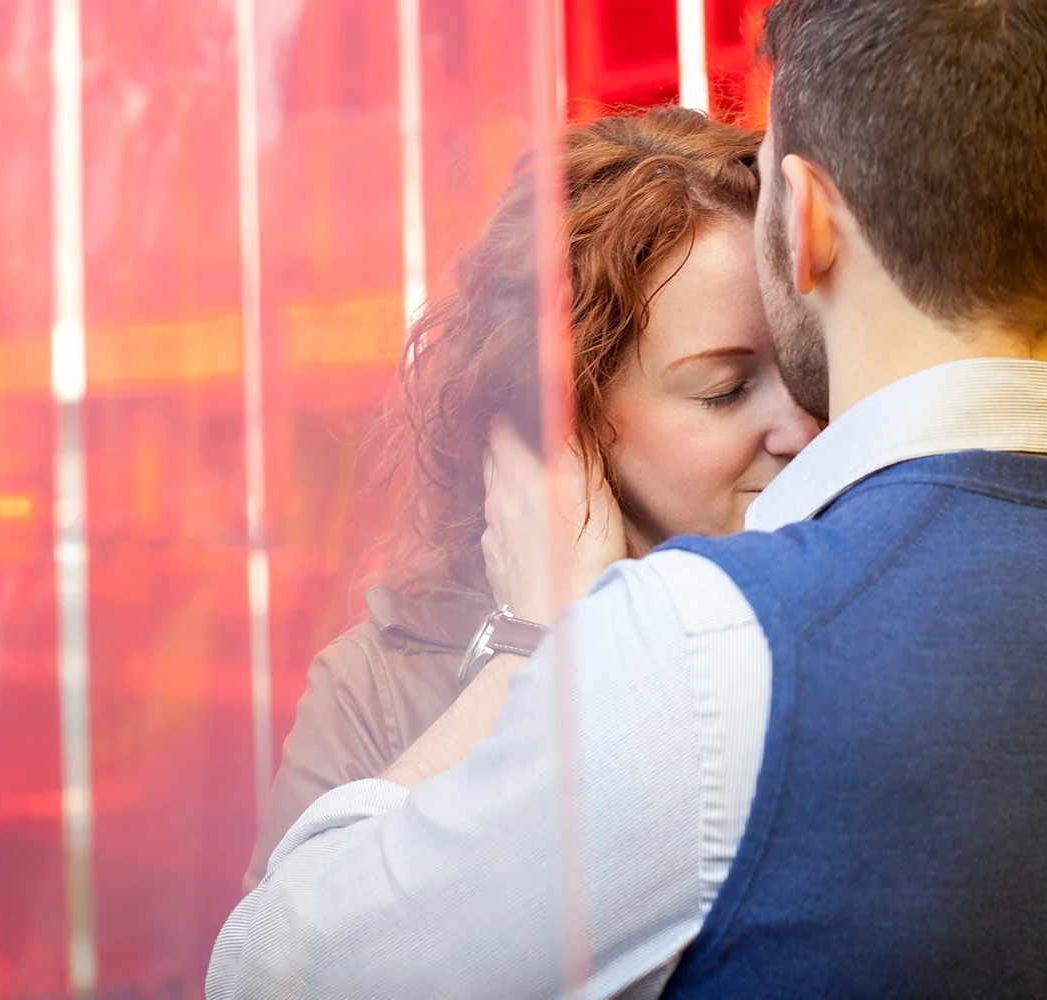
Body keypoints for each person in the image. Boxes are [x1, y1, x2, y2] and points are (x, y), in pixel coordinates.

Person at [210, 1, 1047, 997]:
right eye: (721, 386)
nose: (794, 425)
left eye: (790, 375)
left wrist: (533, 644)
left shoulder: (709, 655)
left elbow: (280, 973)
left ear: (807, 224)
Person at [241, 108, 820, 889]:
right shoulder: (382, 690)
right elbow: (283, 966)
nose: (801, 425)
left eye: (804, 365)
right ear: (563, 432)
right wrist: (532, 646)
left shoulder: (861, 603)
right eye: (725, 390)